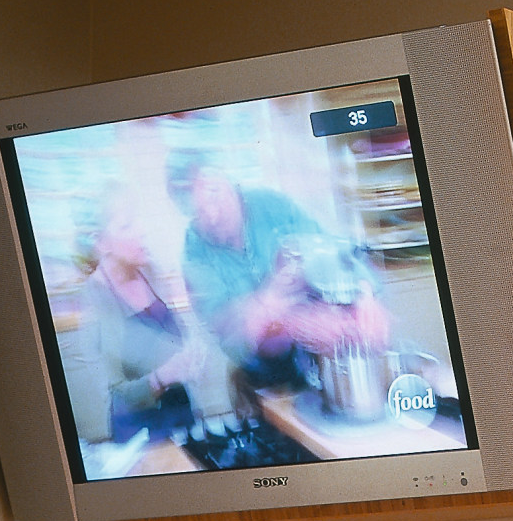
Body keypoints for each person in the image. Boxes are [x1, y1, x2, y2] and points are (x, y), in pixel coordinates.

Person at [165, 149, 388, 392]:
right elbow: (231, 331)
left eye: (213, 196)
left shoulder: (270, 206)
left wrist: (364, 295)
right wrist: (289, 323)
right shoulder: (194, 255)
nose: (212, 215)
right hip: (264, 379)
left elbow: (334, 252)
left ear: (228, 182)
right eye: (198, 211)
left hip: (320, 361)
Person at [55, 198, 209, 451]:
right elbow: (115, 400)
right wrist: (163, 377)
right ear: (101, 242)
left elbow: (174, 338)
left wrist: (192, 357)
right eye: (127, 225)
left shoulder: (149, 270)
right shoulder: (94, 300)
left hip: (183, 421)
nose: (141, 230)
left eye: (140, 221)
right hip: (142, 439)